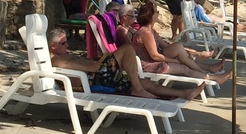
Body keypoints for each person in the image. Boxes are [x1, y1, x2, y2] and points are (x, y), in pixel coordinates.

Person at [45, 27, 201, 100]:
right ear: (53, 46)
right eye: (64, 43)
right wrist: (103, 60)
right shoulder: (58, 59)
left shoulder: (64, 55)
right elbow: (91, 68)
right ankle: (138, 89)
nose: (68, 45)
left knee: (140, 81)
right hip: (95, 79)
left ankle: (183, 93)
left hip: (100, 75)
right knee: (127, 49)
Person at [132, 0, 231, 85]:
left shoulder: (151, 31)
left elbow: (165, 45)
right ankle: (212, 77)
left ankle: (208, 71)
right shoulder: (146, 33)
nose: (158, 13)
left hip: (154, 60)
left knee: (179, 49)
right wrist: (176, 61)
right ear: (151, 16)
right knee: (184, 68)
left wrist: (188, 52)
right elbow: (155, 56)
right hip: (150, 65)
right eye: (156, 12)